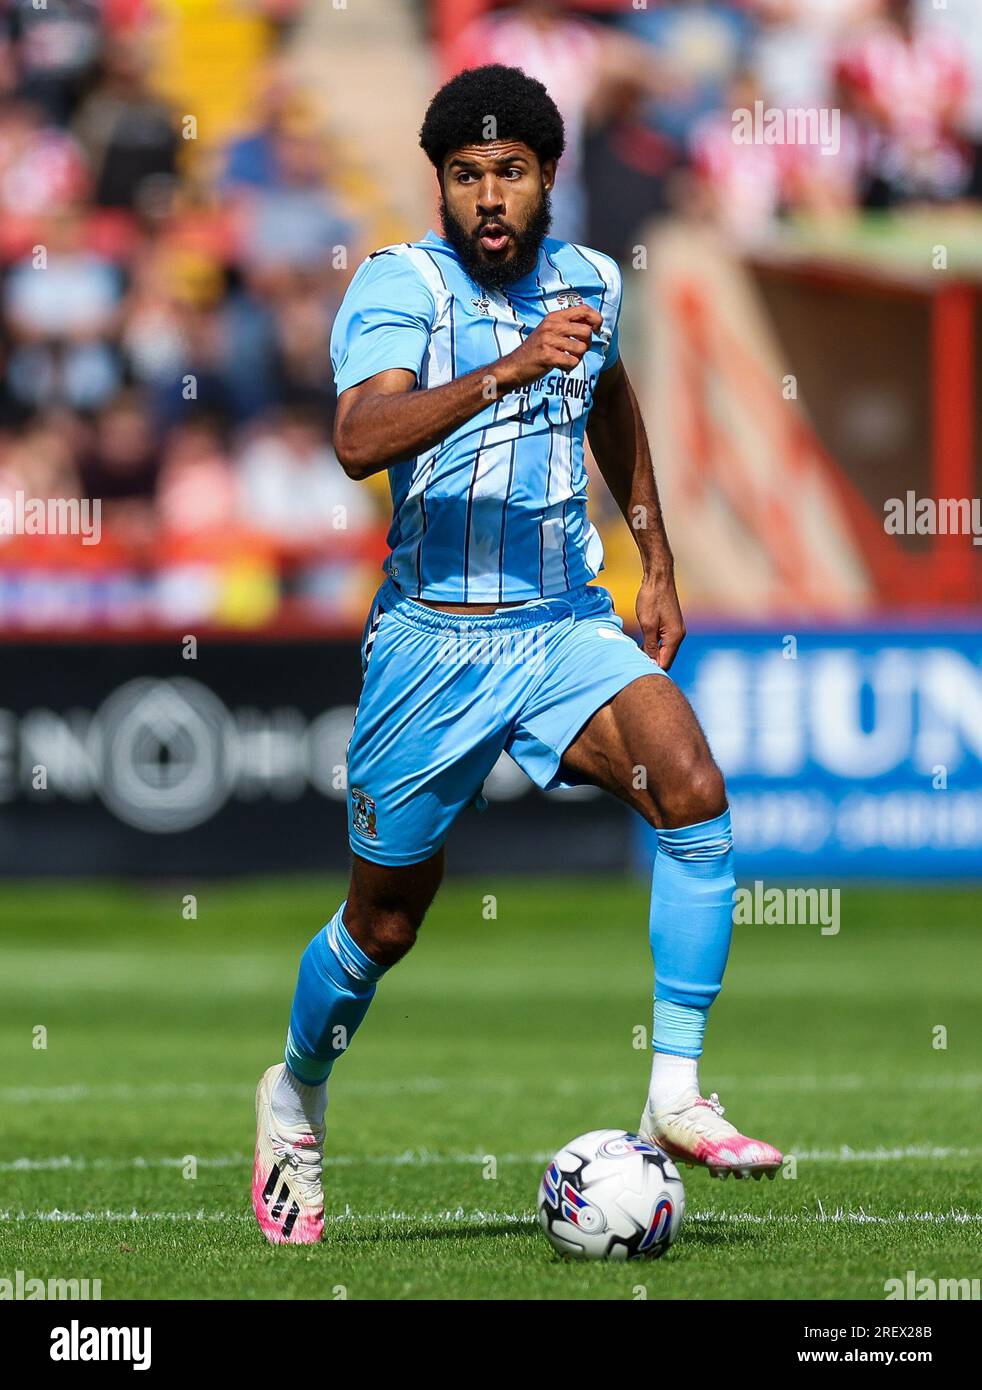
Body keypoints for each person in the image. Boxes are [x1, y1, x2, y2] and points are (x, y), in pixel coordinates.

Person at [252, 64, 781, 1246]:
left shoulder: (590, 281)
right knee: (385, 923)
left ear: (547, 176)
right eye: (465, 175)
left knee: (691, 789)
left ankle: (676, 1089)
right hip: (431, 643)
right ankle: (294, 1091)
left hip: (560, 624)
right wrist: (507, 369)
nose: (488, 196)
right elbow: (358, 437)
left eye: (510, 172)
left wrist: (657, 557)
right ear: (439, 184)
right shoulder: (400, 283)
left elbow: (611, 400)